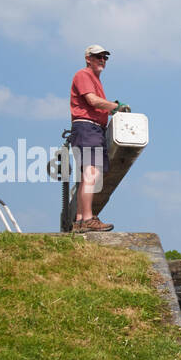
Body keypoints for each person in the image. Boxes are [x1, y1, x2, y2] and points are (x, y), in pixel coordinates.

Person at [69, 44, 128, 232]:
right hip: (88, 128)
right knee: (91, 174)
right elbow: (92, 101)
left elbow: (95, 105)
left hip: (88, 129)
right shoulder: (84, 75)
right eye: (98, 56)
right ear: (88, 58)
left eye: (105, 57)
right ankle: (87, 218)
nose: (102, 60)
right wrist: (115, 107)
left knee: (86, 175)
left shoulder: (95, 80)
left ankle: (79, 219)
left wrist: (111, 110)